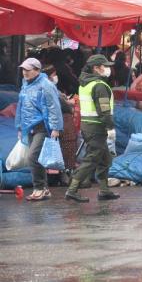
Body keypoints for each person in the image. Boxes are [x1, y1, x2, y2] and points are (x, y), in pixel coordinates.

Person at [65, 55, 119, 202]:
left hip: (87, 125)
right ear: (96, 68)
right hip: (97, 126)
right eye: (105, 66)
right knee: (92, 158)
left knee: (105, 159)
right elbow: (104, 110)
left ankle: (104, 189)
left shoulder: (84, 84)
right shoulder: (99, 86)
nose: (108, 69)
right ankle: (72, 189)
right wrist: (110, 128)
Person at [15, 58, 63, 201]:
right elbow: (21, 106)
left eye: (28, 70)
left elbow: (54, 106)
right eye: (23, 70)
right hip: (29, 127)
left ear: (37, 70)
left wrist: (56, 127)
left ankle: (39, 188)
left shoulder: (46, 85)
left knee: (33, 157)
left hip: (43, 127)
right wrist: (20, 126)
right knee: (38, 159)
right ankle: (44, 189)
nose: (25, 72)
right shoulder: (25, 85)